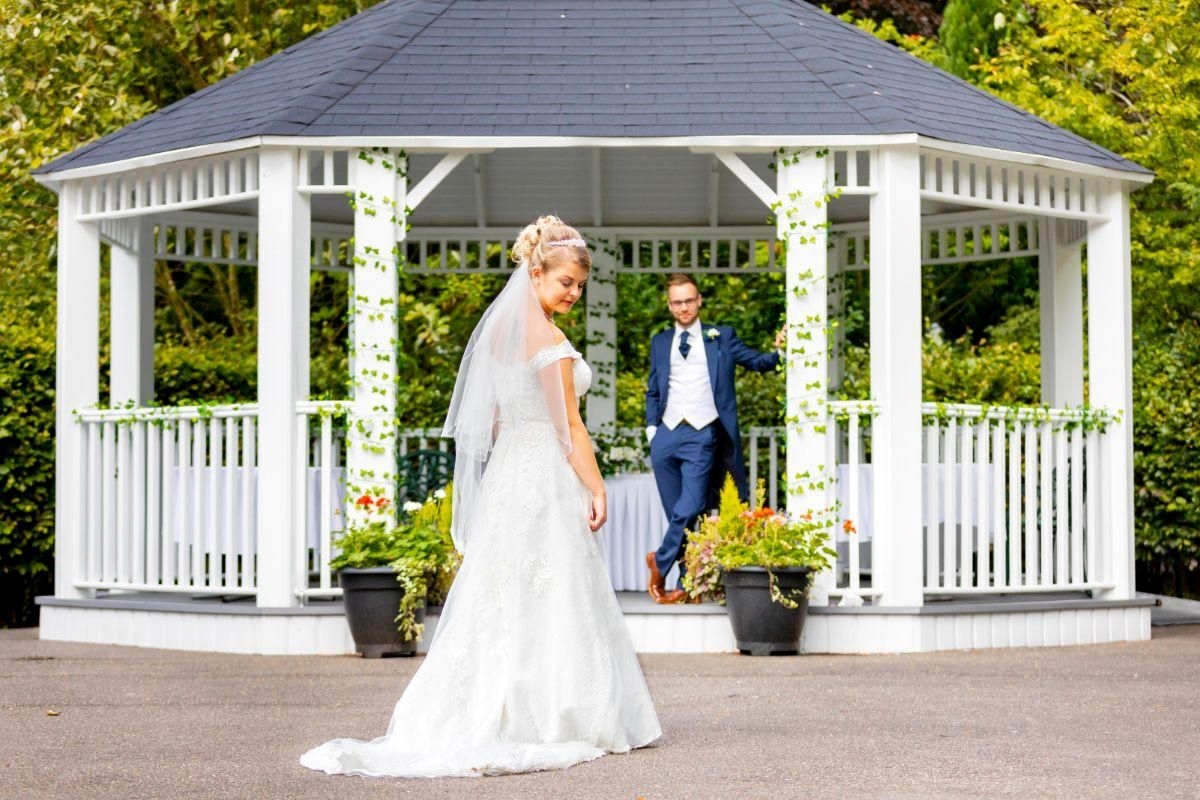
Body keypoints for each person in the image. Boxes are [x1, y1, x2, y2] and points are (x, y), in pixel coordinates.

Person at [301, 216, 661, 778]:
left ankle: (502, 702)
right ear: (536, 272)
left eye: (580, 286)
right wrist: (595, 486)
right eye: (565, 281)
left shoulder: (497, 334)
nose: (573, 293)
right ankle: (554, 710)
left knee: (505, 589)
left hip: (510, 473)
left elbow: (493, 420)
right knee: (552, 584)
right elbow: (570, 426)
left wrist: (514, 462)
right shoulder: (550, 342)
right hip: (541, 471)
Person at [644, 273, 785, 604]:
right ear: (669, 305)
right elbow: (653, 388)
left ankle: (659, 562)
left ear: (699, 300)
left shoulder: (721, 337)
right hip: (665, 436)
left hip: (703, 433)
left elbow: (756, 361)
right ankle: (686, 584)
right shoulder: (660, 342)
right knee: (680, 514)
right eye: (677, 302)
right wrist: (652, 430)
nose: (683, 307)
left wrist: (780, 352)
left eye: (689, 300)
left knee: (691, 505)